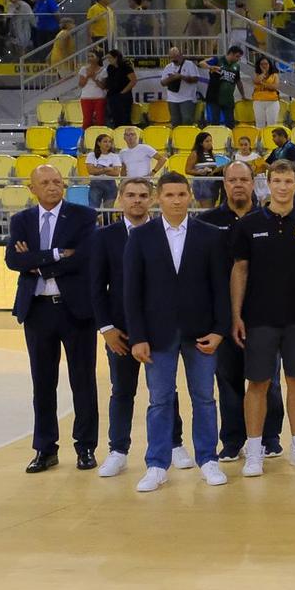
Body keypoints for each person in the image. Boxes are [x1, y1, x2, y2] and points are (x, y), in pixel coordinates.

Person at [121, 172, 231, 492]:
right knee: (160, 400)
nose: (176, 200)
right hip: (157, 335)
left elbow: (220, 288)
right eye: (169, 195)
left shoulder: (209, 235)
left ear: (191, 197)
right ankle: (156, 464)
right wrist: (138, 336)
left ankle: (208, 459)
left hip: (201, 334)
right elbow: (132, 292)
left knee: (205, 399)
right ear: (159, 198)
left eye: (182, 194)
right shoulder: (141, 237)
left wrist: (220, 331)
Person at [228, 160, 295, 476]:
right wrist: (236, 315)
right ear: (268, 184)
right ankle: (255, 451)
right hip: (259, 318)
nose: (283, 187)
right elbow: (239, 270)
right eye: (277, 181)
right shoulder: (249, 225)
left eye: (289, 181)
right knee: (257, 383)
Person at [5, 164, 100, 473]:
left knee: (82, 381)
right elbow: (13, 259)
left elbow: (84, 257)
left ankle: (85, 447)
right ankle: (45, 449)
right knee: (42, 383)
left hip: (75, 310)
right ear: (32, 188)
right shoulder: (21, 220)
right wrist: (58, 254)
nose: (52, 187)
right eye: (44, 182)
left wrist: (35, 261)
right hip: (38, 310)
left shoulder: (84, 216)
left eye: (57, 181)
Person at [89, 177, 183, 477]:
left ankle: (175, 443)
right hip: (121, 331)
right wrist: (106, 328)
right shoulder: (104, 237)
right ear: (119, 199)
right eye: (130, 195)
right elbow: (96, 287)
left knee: (167, 391)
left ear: (153, 199)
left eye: (143, 195)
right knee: (122, 390)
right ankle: (118, 450)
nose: (137, 200)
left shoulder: (165, 233)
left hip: (159, 328)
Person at [200, 161, 282, 463]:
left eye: (243, 180)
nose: (238, 185)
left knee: (268, 379)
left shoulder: (270, 218)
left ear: (253, 183)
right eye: (232, 179)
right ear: (224, 183)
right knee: (228, 379)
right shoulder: (207, 222)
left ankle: (269, 437)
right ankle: (233, 440)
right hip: (222, 315)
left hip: (264, 313)